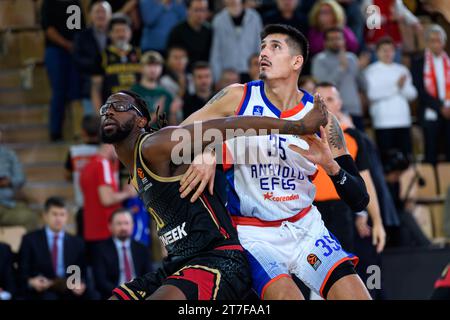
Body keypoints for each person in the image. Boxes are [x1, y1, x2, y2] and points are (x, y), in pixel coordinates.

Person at [179, 24, 371, 300]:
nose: (263, 53)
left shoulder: (322, 120)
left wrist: (330, 165)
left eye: (275, 47)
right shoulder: (238, 96)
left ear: (297, 62)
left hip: (306, 228)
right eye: (262, 47)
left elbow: (359, 199)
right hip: (253, 234)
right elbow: (178, 137)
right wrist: (208, 147)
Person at [99, 86, 329, 300]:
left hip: (220, 260)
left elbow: (228, 126)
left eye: (119, 106)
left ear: (141, 119)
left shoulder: (154, 145)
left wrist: (298, 126)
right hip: (180, 263)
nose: (109, 111)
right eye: (106, 107)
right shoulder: (134, 173)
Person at [314, 82, 385, 251]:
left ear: (339, 104)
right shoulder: (303, 136)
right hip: (310, 212)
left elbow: (365, 181)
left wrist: (377, 222)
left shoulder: (353, 137)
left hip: (343, 212)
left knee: (343, 268)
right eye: (320, 101)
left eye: (329, 99)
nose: (324, 105)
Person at [18, 197, 88, 300]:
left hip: (68, 287)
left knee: (92, 295)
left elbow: (81, 270)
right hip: (42, 289)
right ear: (45, 216)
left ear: (67, 217)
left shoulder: (77, 242)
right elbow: (22, 270)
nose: (58, 219)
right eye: (54, 214)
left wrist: (80, 283)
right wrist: (31, 281)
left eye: (62, 214)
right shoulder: (29, 240)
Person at [364, 37, 417, 162]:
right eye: (384, 50)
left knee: (406, 159)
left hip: (403, 121)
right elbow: (372, 94)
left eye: (391, 50)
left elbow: (412, 94)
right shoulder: (371, 71)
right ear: (377, 52)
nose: (388, 53)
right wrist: (396, 87)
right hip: (383, 122)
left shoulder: (402, 70)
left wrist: (402, 87)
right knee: (387, 160)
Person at [79, 143, 135, 256]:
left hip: (92, 231)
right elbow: (107, 199)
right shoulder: (103, 164)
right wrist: (128, 193)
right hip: (105, 231)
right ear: (110, 145)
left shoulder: (87, 166)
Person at [41, 0, 85, 141]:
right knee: (58, 91)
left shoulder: (75, 3)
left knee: (75, 92)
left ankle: (78, 131)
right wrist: (67, 44)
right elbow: (48, 30)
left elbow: (80, 29)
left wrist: (76, 46)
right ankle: (55, 132)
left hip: (74, 51)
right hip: (55, 51)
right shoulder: (49, 4)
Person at [312, 27, 366, 131]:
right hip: (331, 111)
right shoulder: (319, 60)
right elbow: (322, 86)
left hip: (354, 110)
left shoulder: (352, 58)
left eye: (338, 38)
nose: (336, 42)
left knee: (357, 145)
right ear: (325, 42)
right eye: (332, 39)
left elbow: (363, 85)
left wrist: (362, 69)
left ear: (344, 41)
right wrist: (341, 68)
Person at [92, 208, 152, 299]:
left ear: (132, 225)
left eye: (127, 223)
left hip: (139, 294)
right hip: (113, 295)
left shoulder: (142, 248)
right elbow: (101, 282)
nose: (123, 227)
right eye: (119, 224)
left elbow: (149, 275)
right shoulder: (100, 250)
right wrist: (123, 293)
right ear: (110, 226)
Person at [411, 24, 450, 165]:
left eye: (439, 40)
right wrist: (440, 107)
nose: (436, 44)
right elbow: (419, 90)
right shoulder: (419, 62)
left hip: (449, 110)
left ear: (444, 42)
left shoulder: (449, 61)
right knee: (431, 152)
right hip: (430, 111)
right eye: (432, 41)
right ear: (427, 43)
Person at [91, 14, 141, 111]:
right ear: (110, 34)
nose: (121, 35)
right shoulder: (102, 56)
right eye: (117, 31)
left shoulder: (140, 54)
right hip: (111, 108)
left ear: (130, 32)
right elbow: (95, 89)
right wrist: (99, 113)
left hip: (136, 108)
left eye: (124, 30)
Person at [64, 115, 101, 236]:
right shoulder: (109, 151)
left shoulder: (74, 152)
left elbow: (67, 175)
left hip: (83, 206)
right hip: (106, 205)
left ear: (83, 132)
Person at [73, 1, 112, 115]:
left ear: (110, 14)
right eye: (97, 12)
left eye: (103, 12)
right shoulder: (81, 36)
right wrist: (98, 69)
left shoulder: (117, 33)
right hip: (90, 85)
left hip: (115, 87)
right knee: (94, 126)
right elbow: (77, 60)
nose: (100, 15)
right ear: (90, 15)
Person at [210, 0, 263, 82]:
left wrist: (259, 72)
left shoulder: (254, 17)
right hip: (227, 75)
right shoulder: (218, 20)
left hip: (250, 72)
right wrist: (217, 78)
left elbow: (259, 47)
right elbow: (215, 52)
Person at [0, 132, 39, 231]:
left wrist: (9, 182)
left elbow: (21, 178)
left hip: (7, 204)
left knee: (31, 217)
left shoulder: (9, 155)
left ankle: (29, 246)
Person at [130, 51, 180, 125]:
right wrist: (157, 112)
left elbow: (173, 128)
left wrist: (173, 113)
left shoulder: (166, 94)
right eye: (149, 65)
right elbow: (136, 126)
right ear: (141, 68)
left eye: (157, 65)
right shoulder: (133, 93)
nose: (153, 69)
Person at [167, 0, 212, 71]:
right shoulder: (177, 31)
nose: (200, 14)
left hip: (203, 74)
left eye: (203, 10)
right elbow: (171, 59)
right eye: (196, 10)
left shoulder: (210, 31)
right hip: (184, 73)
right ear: (188, 11)